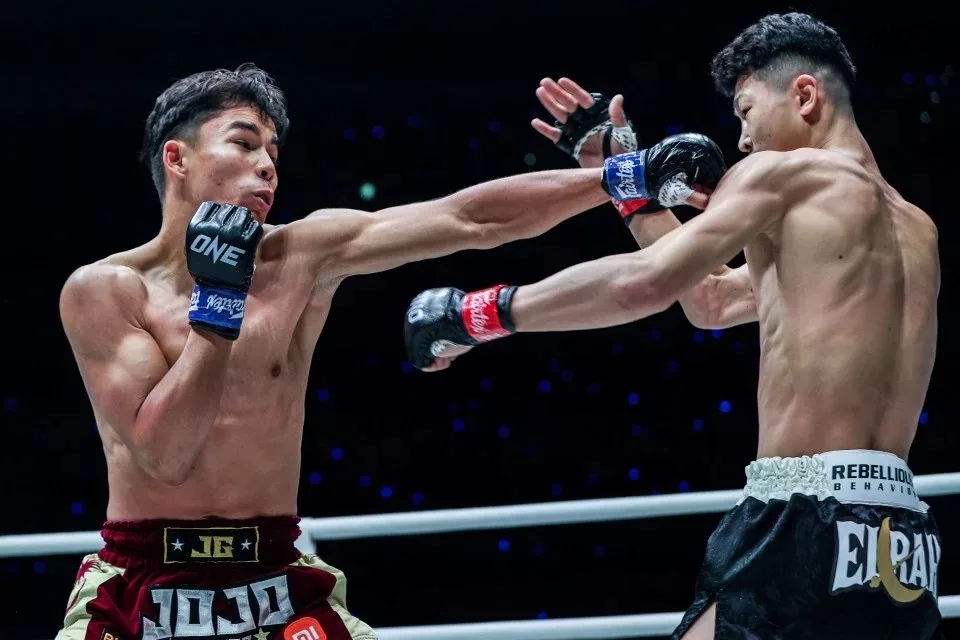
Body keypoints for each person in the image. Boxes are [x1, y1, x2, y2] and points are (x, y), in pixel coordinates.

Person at [56, 63, 720, 639]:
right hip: (142, 585)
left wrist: (623, 174)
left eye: (275, 154)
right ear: (177, 159)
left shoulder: (301, 256)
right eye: (244, 143)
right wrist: (219, 308)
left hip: (275, 576)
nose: (266, 166)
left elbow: (469, 219)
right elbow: (166, 454)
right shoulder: (106, 292)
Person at [404, 12, 944, 639]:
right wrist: (625, 180)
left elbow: (647, 283)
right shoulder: (917, 228)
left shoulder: (784, 176)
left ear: (804, 95)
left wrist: (482, 314)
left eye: (745, 110)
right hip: (899, 539)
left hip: (803, 520)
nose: (741, 140)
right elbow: (710, 301)